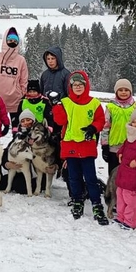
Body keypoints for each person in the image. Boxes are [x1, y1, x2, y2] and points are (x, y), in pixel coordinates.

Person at [51, 70, 109, 226]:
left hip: (87, 145)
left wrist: (93, 128)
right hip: (70, 144)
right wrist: (56, 105)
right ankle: (77, 200)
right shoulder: (66, 102)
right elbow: (60, 120)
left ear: (86, 85)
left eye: (80, 85)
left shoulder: (94, 103)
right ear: (70, 87)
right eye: (74, 85)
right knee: (74, 177)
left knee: (90, 177)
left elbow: (100, 120)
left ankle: (96, 203)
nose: (77, 87)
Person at [0, 27, 28, 128]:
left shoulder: (21, 60)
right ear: (5, 41)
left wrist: (21, 92)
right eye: (10, 40)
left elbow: (24, 79)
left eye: (15, 41)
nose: (12, 42)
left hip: (15, 101)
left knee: (17, 131)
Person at [100, 78, 136, 176]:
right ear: (116, 92)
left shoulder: (135, 107)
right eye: (120, 90)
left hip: (130, 147)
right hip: (114, 147)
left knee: (129, 174)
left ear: (130, 91)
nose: (123, 92)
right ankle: (113, 191)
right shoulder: (111, 107)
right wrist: (105, 146)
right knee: (114, 174)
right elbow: (105, 127)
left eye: (126, 90)